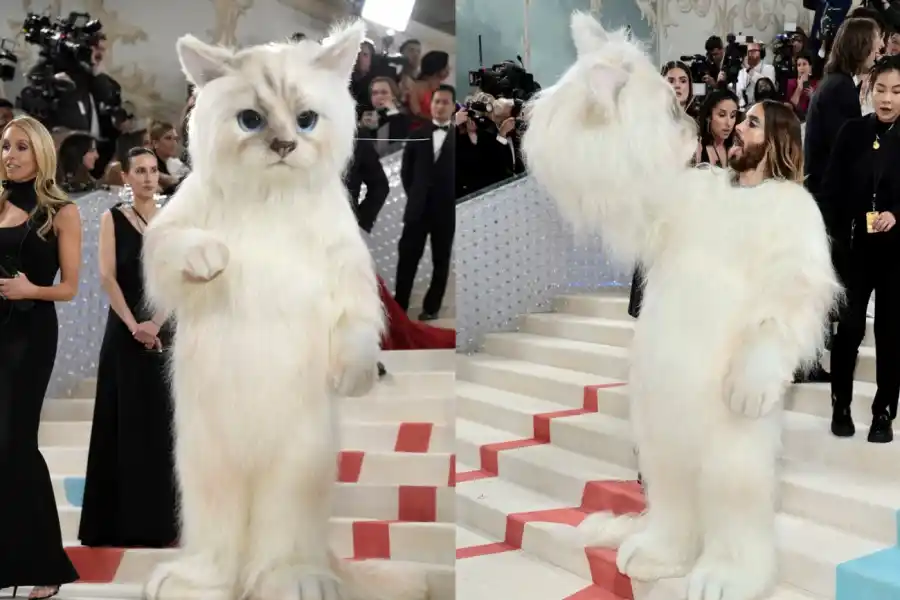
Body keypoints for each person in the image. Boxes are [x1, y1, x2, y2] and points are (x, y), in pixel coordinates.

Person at [78, 147, 179, 547]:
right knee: (120, 424)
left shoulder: (173, 220)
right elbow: (107, 276)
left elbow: (178, 278)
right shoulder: (112, 218)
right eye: (140, 171)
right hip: (122, 331)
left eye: (153, 170)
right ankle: (117, 525)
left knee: (160, 426)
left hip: (165, 331)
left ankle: (162, 525)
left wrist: (156, 322)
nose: (149, 177)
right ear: (126, 176)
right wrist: (134, 324)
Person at [0, 115, 82, 599]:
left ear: (41, 154)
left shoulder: (60, 212)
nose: (9, 155)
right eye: (5, 146)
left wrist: (31, 289)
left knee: (15, 443)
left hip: (29, 336)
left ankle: (46, 564)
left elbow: (69, 287)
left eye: (20, 147)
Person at [821, 55, 900, 443]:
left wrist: (896, 215)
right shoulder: (852, 132)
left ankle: (883, 412)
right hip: (855, 249)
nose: (887, 99)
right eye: (881, 89)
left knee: (891, 332)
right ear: (869, 89)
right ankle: (840, 403)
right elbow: (831, 191)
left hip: (896, 253)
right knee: (849, 328)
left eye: (897, 91)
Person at [801, 16, 883, 383]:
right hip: (828, 204)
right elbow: (845, 153)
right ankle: (808, 360)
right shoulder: (840, 89)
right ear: (861, 45)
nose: (880, 50)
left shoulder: (837, 84)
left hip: (824, 201)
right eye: (876, 43)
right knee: (824, 283)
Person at [395, 84, 455, 321]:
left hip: (446, 211)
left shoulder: (458, 137)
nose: (440, 106)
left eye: (445, 102)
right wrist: (416, 195)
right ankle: (399, 307)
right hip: (417, 209)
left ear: (453, 106)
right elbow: (406, 173)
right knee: (407, 259)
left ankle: (431, 308)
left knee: (441, 261)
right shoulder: (416, 134)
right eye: (436, 101)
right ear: (431, 105)